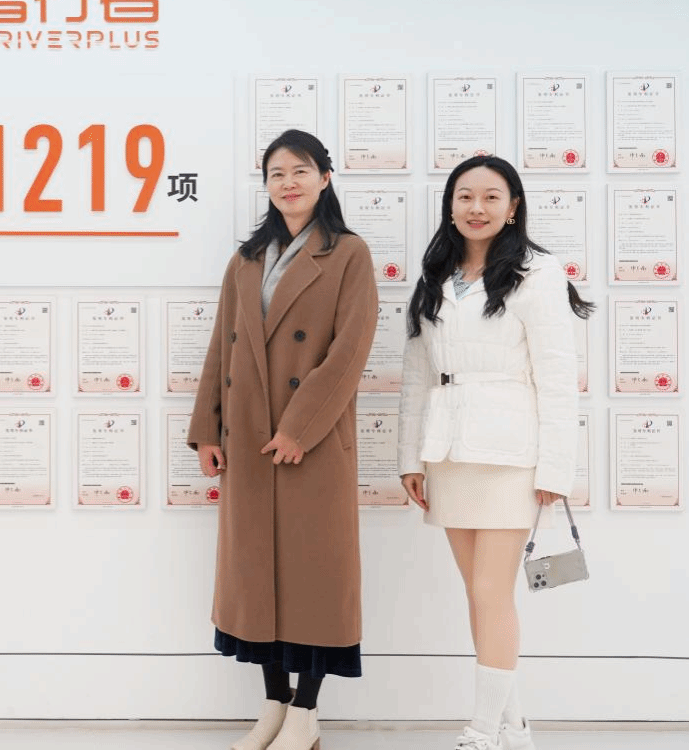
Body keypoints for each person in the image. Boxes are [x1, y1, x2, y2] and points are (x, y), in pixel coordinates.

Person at [188, 130, 378, 750]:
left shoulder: (348, 254)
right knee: (256, 578)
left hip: (311, 443)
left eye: (300, 170)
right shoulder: (246, 259)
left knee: (315, 577)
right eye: (276, 173)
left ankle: (307, 712)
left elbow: (349, 352)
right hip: (247, 440)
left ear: (325, 177)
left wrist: (299, 427)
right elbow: (222, 348)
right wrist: (207, 429)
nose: (288, 183)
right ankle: (274, 704)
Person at [398, 155, 592, 750]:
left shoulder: (538, 272)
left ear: (512, 208)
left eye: (489, 197)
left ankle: (482, 731)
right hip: (448, 450)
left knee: (490, 593)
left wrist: (555, 467)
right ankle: (515, 728)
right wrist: (410, 458)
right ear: (450, 206)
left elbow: (557, 377)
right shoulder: (436, 273)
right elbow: (417, 373)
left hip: (511, 453)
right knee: (479, 596)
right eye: (464, 197)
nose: (475, 208)